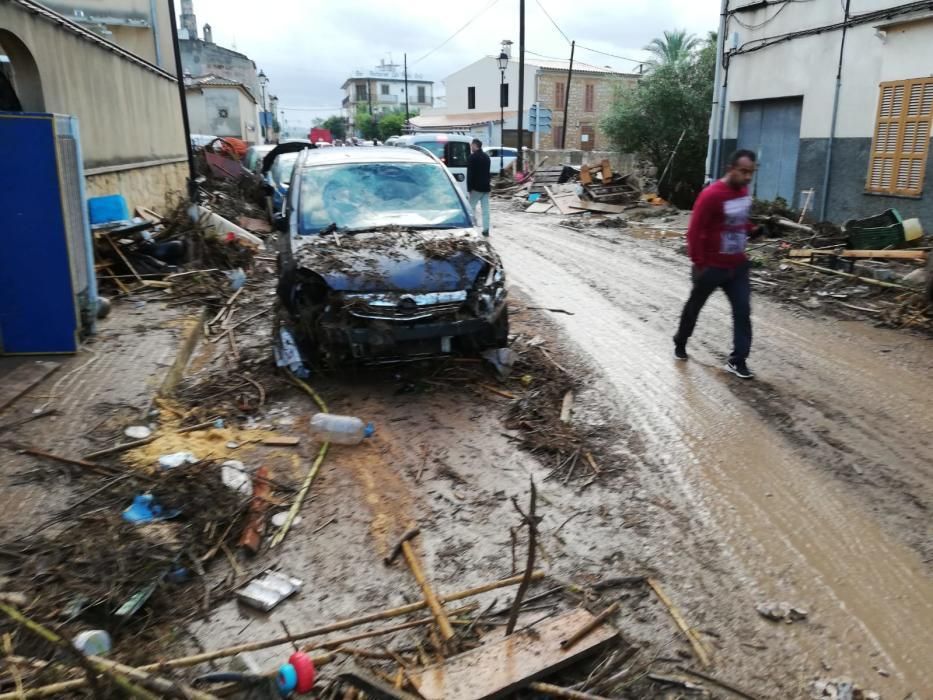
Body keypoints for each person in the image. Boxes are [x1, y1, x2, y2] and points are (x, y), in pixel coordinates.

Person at [673, 149, 760, 379]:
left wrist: (753, 230)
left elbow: (739, 221)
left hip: (737, 266)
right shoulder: (711, 195)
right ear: (730, 169)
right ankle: (680, 341)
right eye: (743, 172)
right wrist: (699, 263)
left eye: (751, 172)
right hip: (711, 266)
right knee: (695, 307)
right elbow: (694, 231)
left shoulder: (742, 191)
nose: (748, 176)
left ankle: (738, 360)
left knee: (742, 311)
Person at [467, 138, 492, 236]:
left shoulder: (472, 157)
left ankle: (471, 227)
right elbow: (487, 173)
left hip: (476, 188)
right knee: (485, 209)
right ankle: (486, 229)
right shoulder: (487, 157)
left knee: (470, 208)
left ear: (474, 145)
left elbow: (470, 174)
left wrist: (469, 188)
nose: (471, 147)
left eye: (471, 146)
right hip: (486, 187)